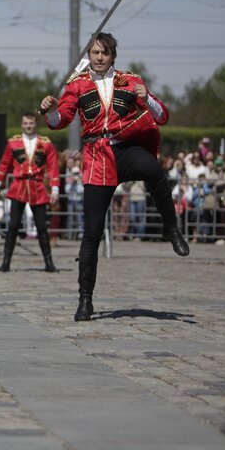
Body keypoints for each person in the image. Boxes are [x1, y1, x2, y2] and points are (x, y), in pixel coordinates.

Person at [40, 32, 189, 322]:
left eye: (104, 53)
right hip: (97, 156)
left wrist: (148, 98)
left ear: (112, 56)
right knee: (92, 232)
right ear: (90, 55)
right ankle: (85, 299)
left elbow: (162, 117)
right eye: (95, 53)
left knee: (154, 170)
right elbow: (61, 122)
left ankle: (170, 228)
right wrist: (52, 110)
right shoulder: (77, 85)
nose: (98, 58)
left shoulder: (131, 79)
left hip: (127, 149)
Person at [0, 111, 60, 272]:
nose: (28, 126)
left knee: (42, 227)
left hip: (37, 187)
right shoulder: (12, 143)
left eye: (31, 123)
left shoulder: (46, 144)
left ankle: (49, 264)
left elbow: (53, 167)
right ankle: (6, 262)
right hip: (18, 187)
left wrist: (55, 189)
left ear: (36, 124)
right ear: (22, 125)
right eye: (26, 123)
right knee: (13, 225)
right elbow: (3, 166)